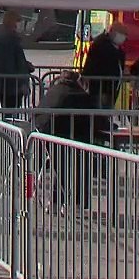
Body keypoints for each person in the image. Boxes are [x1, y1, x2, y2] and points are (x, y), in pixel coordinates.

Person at [36, 71, 97, 209]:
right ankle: (77, 201)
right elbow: (97, 118)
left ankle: (59, 200)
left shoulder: (52, 91)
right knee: (82, 162)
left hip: (42, 137)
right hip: (64, 136)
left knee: (63, 165)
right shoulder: (78, 94)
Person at [0, 11, 33, 108]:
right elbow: (8, 64)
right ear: (12, 22)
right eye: (18, 21)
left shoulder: (5, 38)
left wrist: (26, 66)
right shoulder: (9, 39)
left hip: (5, 85)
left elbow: (12, 60)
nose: (20, 24)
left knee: (10, 110)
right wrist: (21, 83)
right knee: (12, 112)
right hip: (10, 87)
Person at [81, 21, 127, 109]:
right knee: (101, 113)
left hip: (108, 87)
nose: (124, 38)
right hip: (102, 88)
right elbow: (112, 58)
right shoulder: (101, 44)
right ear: (112, 32)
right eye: (122, 34)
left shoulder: (111, 44)